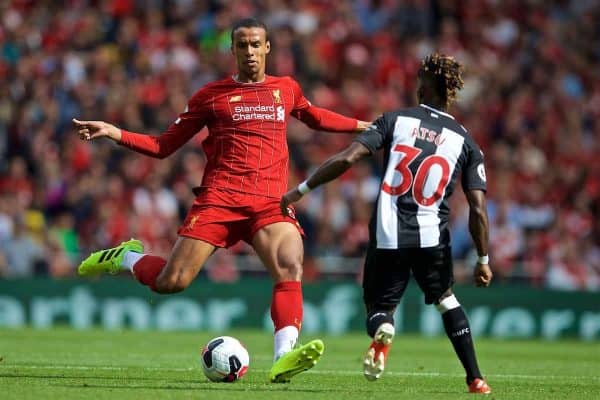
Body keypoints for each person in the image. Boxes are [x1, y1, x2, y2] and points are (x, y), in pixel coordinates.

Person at [73, 17, 370, 383]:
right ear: (232, 50)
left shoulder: (286, 89)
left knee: (290, 265)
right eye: (241, 45)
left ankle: (284, 356)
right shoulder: (210, 96)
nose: (249, 51)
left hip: (268, 201)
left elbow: (316, 118)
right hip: (221, 198)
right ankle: (126, 256)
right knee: (173, 281)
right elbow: (163, 146)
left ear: (267, 48)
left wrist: (365, 127)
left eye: (255, 44)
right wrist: (114, 132)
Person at [280, 53, 493, 394]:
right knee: (447, 300)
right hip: (432, 237)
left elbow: (348, 158)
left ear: (422, 87)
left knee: (378, 309)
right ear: (450, 93)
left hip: (388, 234)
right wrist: (483, 260)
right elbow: (478, 209)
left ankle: (384, 329)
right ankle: (476, 379)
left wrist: (301, 190)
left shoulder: (396, 120)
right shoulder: (467, 143)